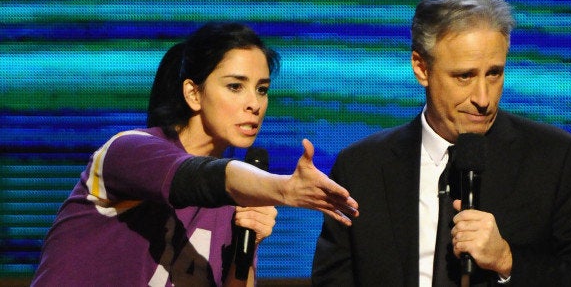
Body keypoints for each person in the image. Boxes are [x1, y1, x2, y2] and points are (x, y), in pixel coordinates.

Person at [312, 0, 571, 286]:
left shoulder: (556, 160)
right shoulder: (361, 169)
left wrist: (506, 260)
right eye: (464, 76)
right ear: (421, 68)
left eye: (494, 73)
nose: (483, 98)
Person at [32, 22, 359, 287]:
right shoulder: (127, 150)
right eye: (235, 86)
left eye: (262, 89)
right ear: (193, 93)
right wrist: (284, 188)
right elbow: (193, 177)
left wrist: (249, 247)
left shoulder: (239, 197)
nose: (255, 103)